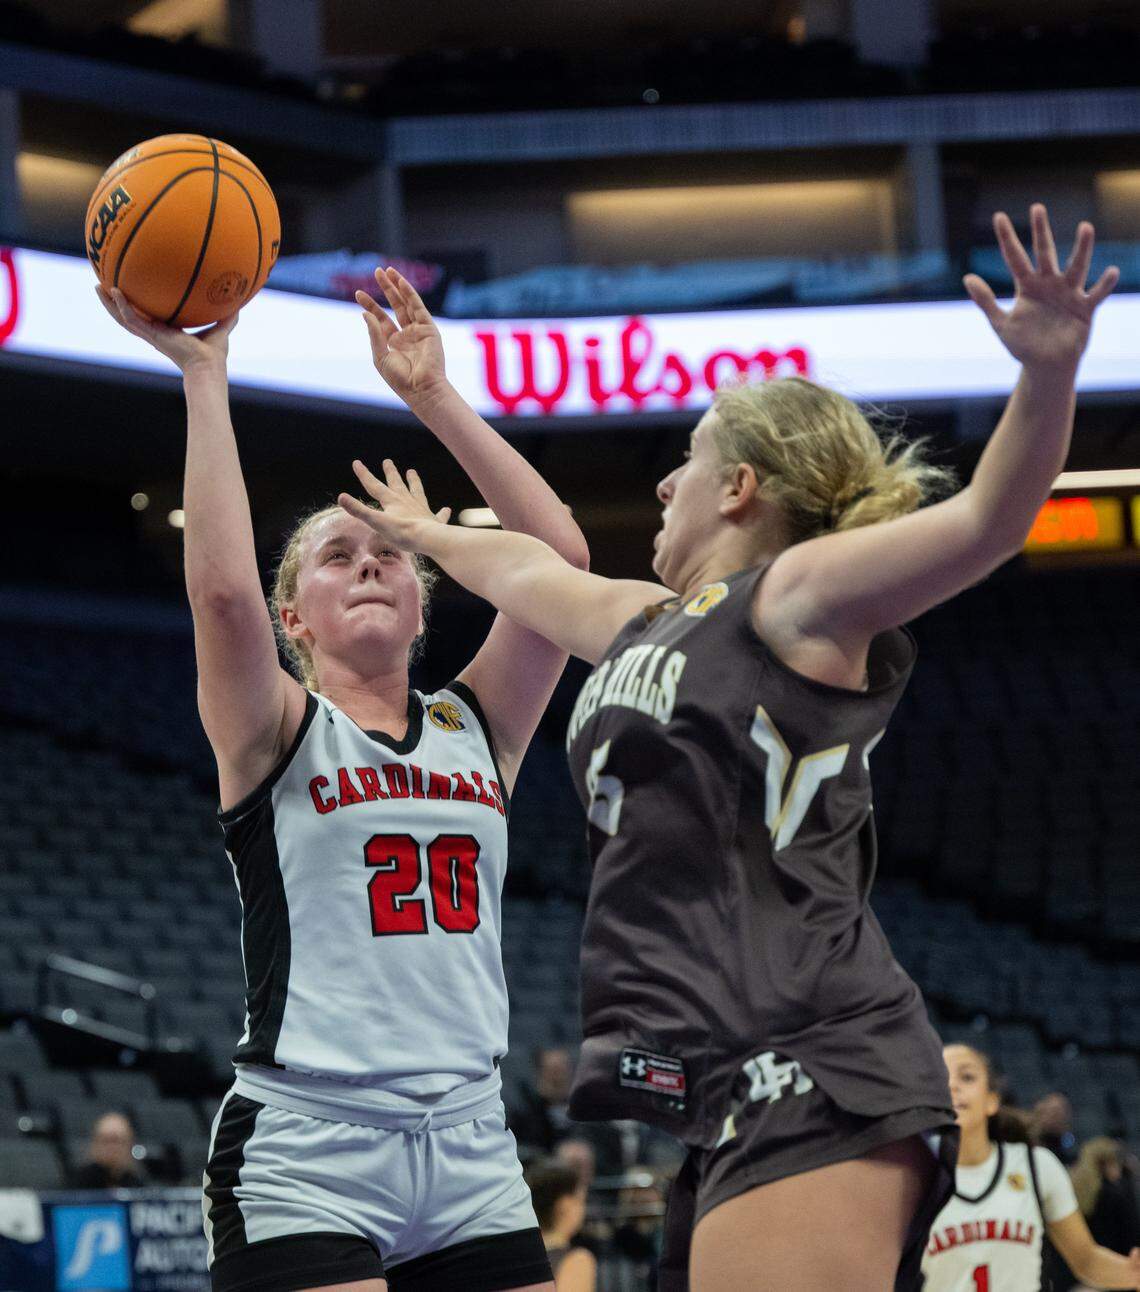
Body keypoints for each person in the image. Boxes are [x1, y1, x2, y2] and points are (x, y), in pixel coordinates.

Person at [335, 204, 1119, 1292]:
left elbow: (992, 515)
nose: (663, 484)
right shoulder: (643, 621)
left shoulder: (793, 599)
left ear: (742, 487)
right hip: (723, 1082)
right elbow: (518, 567)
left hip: (818, 1053)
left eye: (688, 462)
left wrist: (1046, 374)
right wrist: (429, 430)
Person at [98, 266, 589, 1292]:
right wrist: (205, 374)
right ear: (295, 619)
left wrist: (433, 395)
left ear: (422, 607)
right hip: (308, 1145)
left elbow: (560, 555)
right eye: (335, 555)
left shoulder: (477, 722)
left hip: (468, 1142)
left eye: (392, 555)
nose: (370, 563)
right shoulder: (275, 724)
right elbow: (223, 593)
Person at [923, 1046, 1140, 1291]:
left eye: (967, 1077)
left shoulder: (1036, 1165)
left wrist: (1133, 1274)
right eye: (940, 1078)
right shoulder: (912, 1180)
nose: (952, 1086)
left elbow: (1087, 1261)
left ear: (992, 1101)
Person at [1071, 1139, 1140, 1282]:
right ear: (1108, 1164)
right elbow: (1130, 1237)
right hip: (1116, 1269)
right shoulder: (1115, 1194)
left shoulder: (1074, 1194)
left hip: (1084, 1273)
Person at [526, 1161, 596, 1292]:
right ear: (566, 1204)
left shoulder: (517, 1260)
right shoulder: (577, 1261)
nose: (583, 1209)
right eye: (581, 1200)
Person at [509, 1048, 575, 1160]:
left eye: (563, 1070)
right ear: (539, 1074)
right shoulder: (525, 1114)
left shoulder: (585, 1112)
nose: (558, 1078)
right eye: (553, 1071)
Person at [69, 1112, 144, 1189]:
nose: (112, 1147)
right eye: (106, 1141)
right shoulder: (81, 1181)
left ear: (128, 1144)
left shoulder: (135, 1182)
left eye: (116, 1141)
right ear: (96, 1143)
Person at [1037, 1092, 1080, 1166]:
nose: (1057, 1117)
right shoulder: (1033, 1146)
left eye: (1061, 1112)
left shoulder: (1071, 1149)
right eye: (1053, 1111)